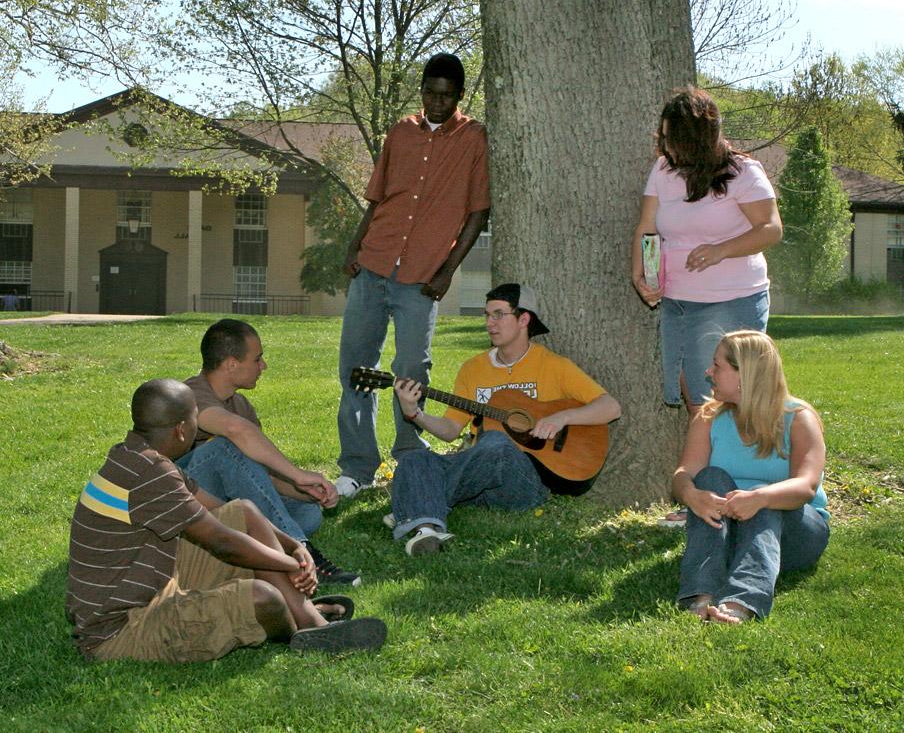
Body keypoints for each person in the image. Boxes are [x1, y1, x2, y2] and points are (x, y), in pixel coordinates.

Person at [66, 379, 387, 661]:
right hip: (123, 628)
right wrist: (292, 566)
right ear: (181, 429)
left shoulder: (136, 455)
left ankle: (308, 620)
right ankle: (303, 629)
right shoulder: (150, 474)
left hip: (154, 580)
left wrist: (295, 548)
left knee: (243, 510)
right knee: (264, 597)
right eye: (195, 419)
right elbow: (222, 543)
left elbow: (225, 514)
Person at [335, 52, 491, 500]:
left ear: (459, 96)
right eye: (429, 93)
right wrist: (354, 247)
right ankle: (358, 467)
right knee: (355, 368)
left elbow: (478, 213)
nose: (436, 103)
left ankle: (409, 452)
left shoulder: (473, 139)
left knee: (411, 366)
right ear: (421, 91)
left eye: (446, 95)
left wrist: (446, 272)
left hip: (422, 276)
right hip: (374, 262)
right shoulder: (401, 131)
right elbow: (378, 197)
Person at [631, 86, 783, 525]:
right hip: (678, 302)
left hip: (732, 300)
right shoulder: (662, 171)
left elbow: (771, 229)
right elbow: (647, 228)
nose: (663, 146)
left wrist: (721, 250)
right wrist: (640, 273)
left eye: (670, 138)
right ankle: (708, 498)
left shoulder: (744, 172)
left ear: (697, 137)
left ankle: (732, 496)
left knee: (727, 398)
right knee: (698, 404)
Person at [385, 283, 621, 555]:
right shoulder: (473, 369)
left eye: (498, 314)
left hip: (522, 483)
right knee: (415, 458)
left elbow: (611, 407)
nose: (489, 323)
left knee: (495, 442)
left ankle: (417, 499)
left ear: (523, 319)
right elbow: (450, 429)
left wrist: (562, 418)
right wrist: (414, 412)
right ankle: (426, 530)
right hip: (476, 483)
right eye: (487, 315)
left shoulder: (554, 366)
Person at [178, 319, 360, 586]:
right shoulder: (190, 393)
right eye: (258, 359)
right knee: (223, 447)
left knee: (309, 513)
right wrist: (297, 474)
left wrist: (305, 490)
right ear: (231, 364)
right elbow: (234, 430)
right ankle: (301, 553)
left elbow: (256, 473)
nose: (264, 366)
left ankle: (254, 547)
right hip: (184, 497)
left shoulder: (241, 404)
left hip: (227, 499)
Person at [672, 331, 829, 624]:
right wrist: (692, 495)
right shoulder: (707, 418)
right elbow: (684, 474)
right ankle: (701, 594)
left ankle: (741, 602)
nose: (709, 372)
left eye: (717, 366)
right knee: (709, 477)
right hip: (731, 533)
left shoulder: (799, 418)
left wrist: (760, 497)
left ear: (744, 374)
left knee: (765, 495)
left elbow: (806, 485)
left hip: (794, 535)